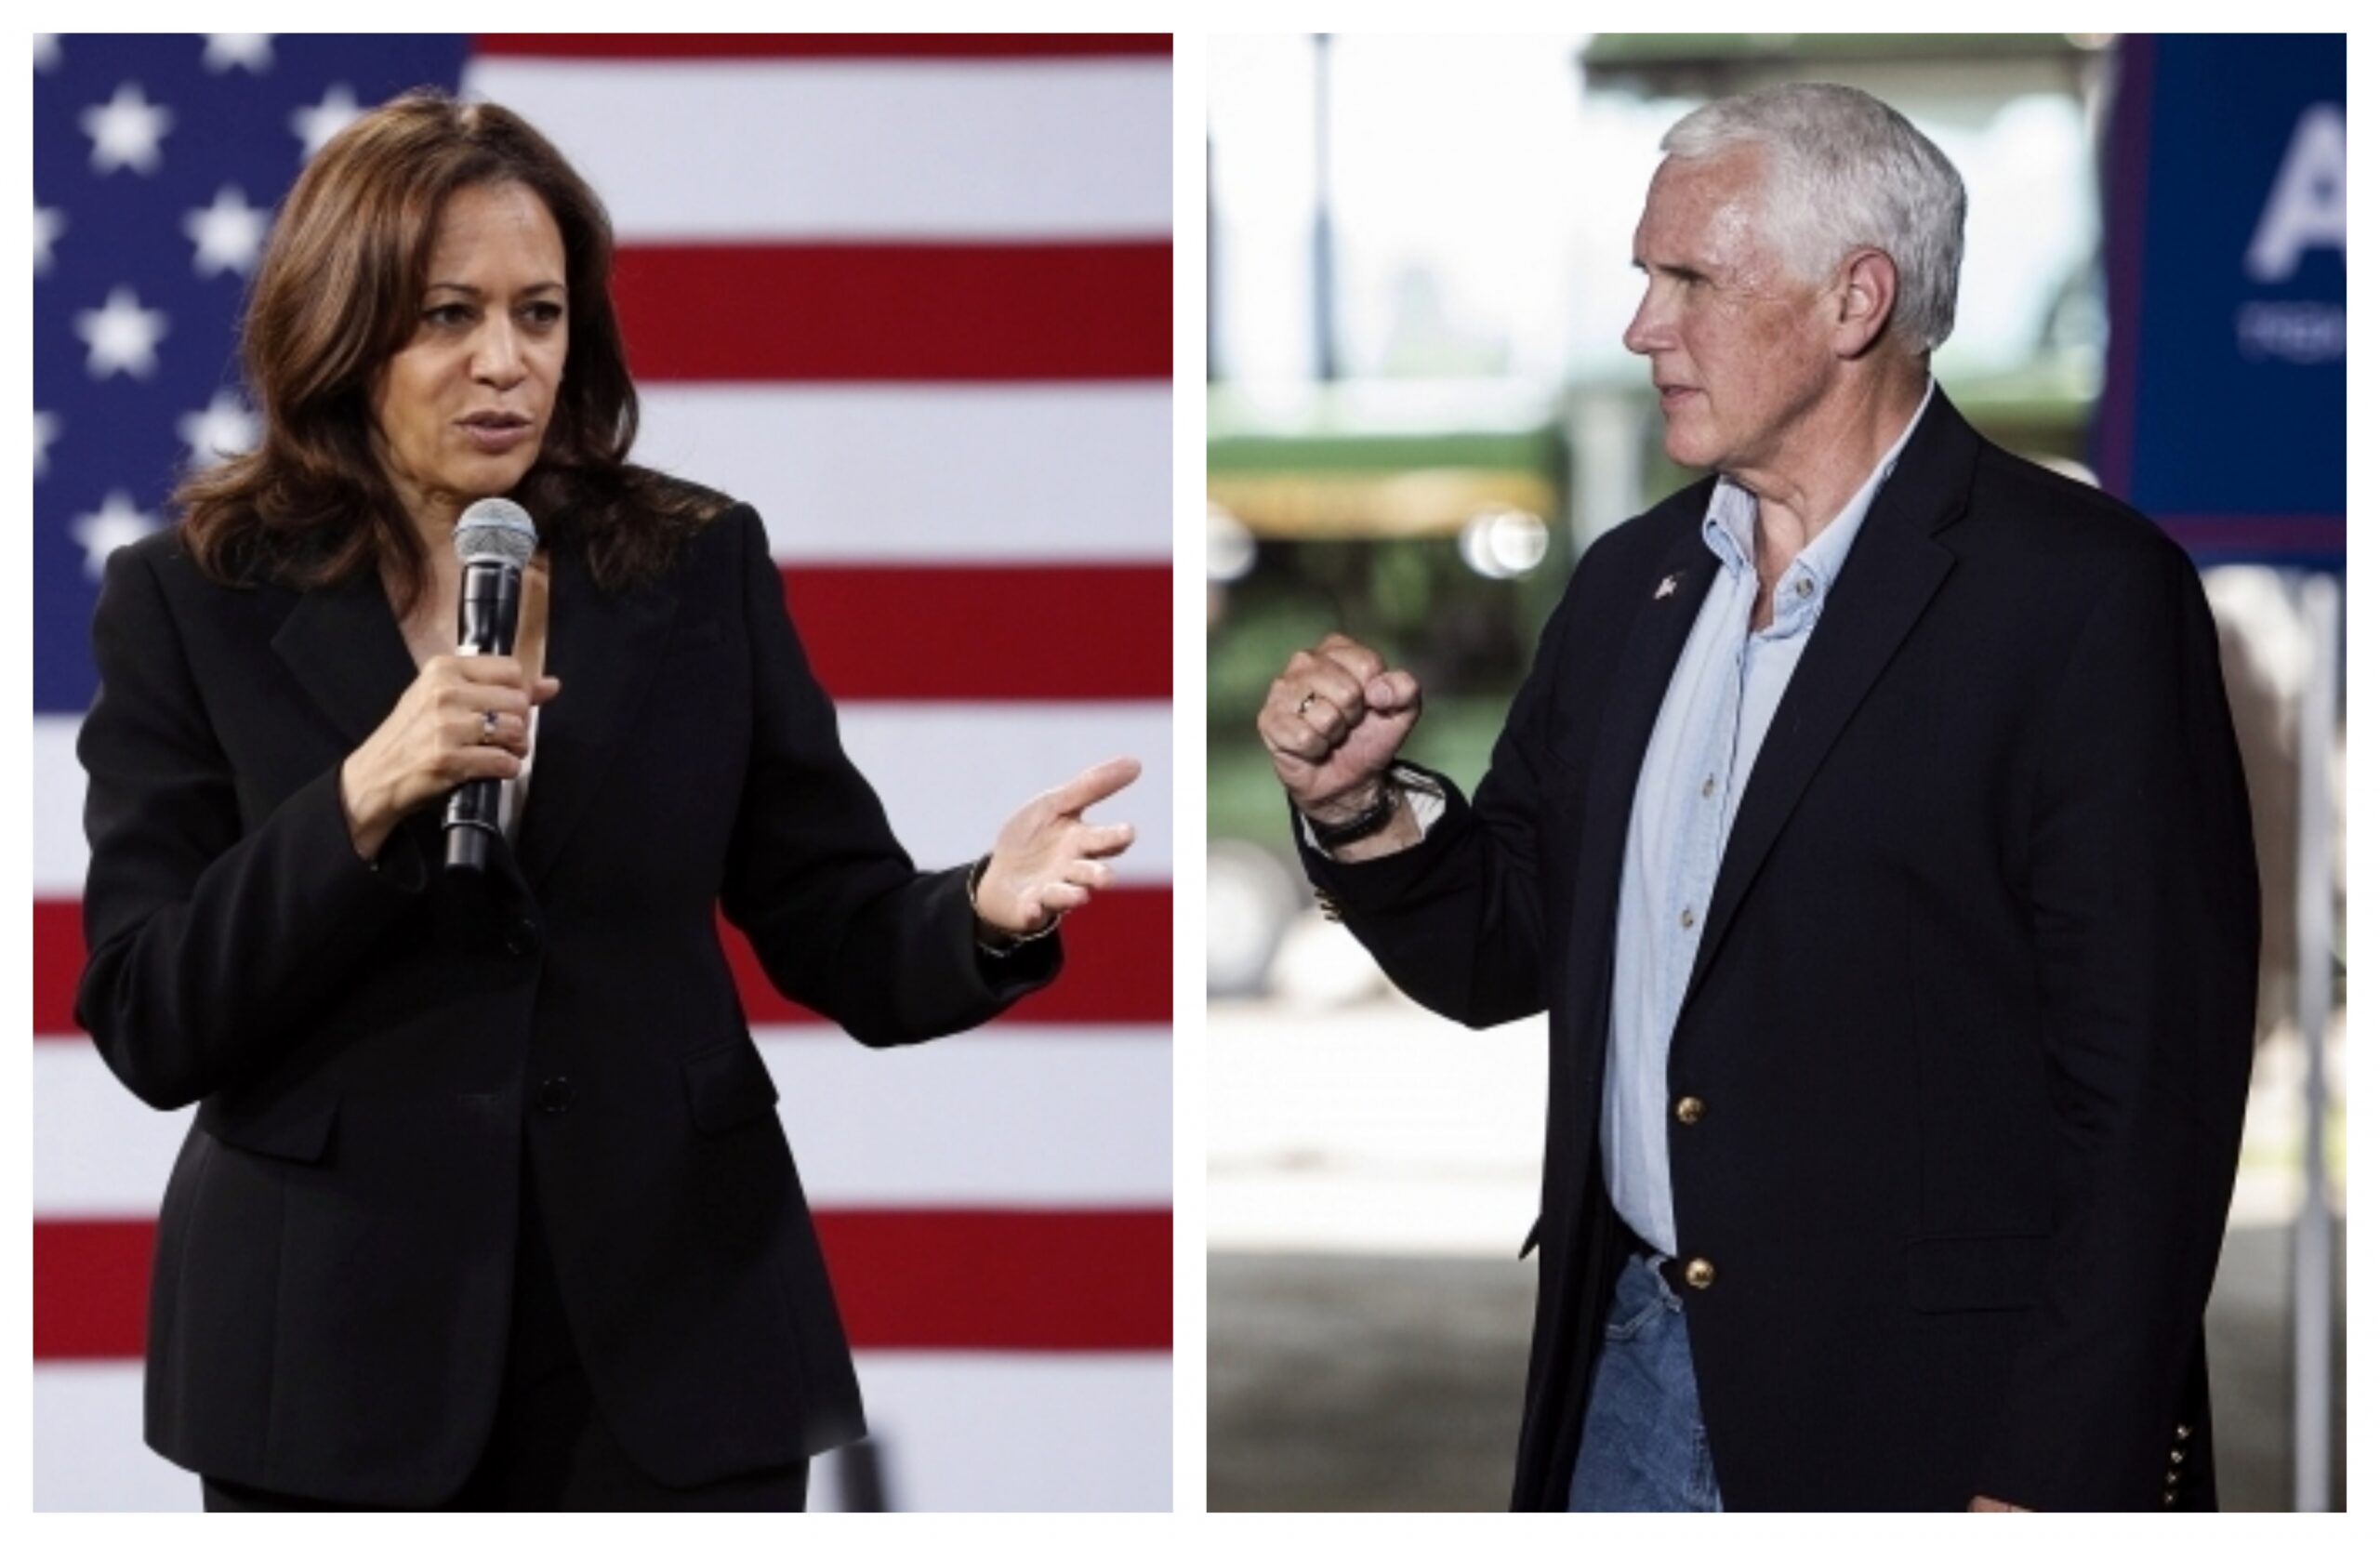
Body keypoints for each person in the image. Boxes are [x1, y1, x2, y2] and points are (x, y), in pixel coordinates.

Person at [74, 90, 1139, 1512]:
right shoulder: (188, 597)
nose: (504, 364)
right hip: (330, 1364)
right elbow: (151, 1013)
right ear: (342, 331)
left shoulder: (692, 563)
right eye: (447, 316)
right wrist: (368, 792)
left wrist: (987, 910)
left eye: (540, 313)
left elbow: (839, 918)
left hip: (672, 1344)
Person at [1259, 83, 2257, 1513]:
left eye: (1692, 279)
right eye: (1642, 277)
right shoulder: (1627, 589)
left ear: (1858, 300)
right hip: (1631, 1381)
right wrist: (1359, 813)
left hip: (1936, 1433)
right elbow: (1507, 948)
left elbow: (2152, 1105)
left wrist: (2046, 1479)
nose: (1641, 326)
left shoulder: (2084, 599)